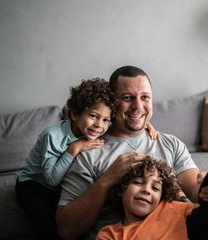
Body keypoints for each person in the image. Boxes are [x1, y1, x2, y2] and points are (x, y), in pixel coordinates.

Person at [56, 66, 208, 240]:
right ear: (112, 103)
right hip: (134, 235)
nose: (138, 106)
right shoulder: (89, 152)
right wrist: (106, 181)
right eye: (127, 98)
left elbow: (199, 193)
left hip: (180, 228)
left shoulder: (169, 143)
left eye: (145, 97)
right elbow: (66, 230)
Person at [15, 77, 156, 239]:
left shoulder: (93, 129)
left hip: (59, 182)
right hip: (35, 184)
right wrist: (74, 149)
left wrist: (147, 124)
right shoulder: (52, 136)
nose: (99, 125)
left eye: (105, 120)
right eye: (93, 116)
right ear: (75, 114)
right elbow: (52, 180)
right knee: (49, 227)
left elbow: (126, 122)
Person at [96, 155, 208, 240]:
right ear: (121, 189)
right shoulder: (111, 234)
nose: (147, 190)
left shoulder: (171, 207)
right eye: (138, 182)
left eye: (155, 187)